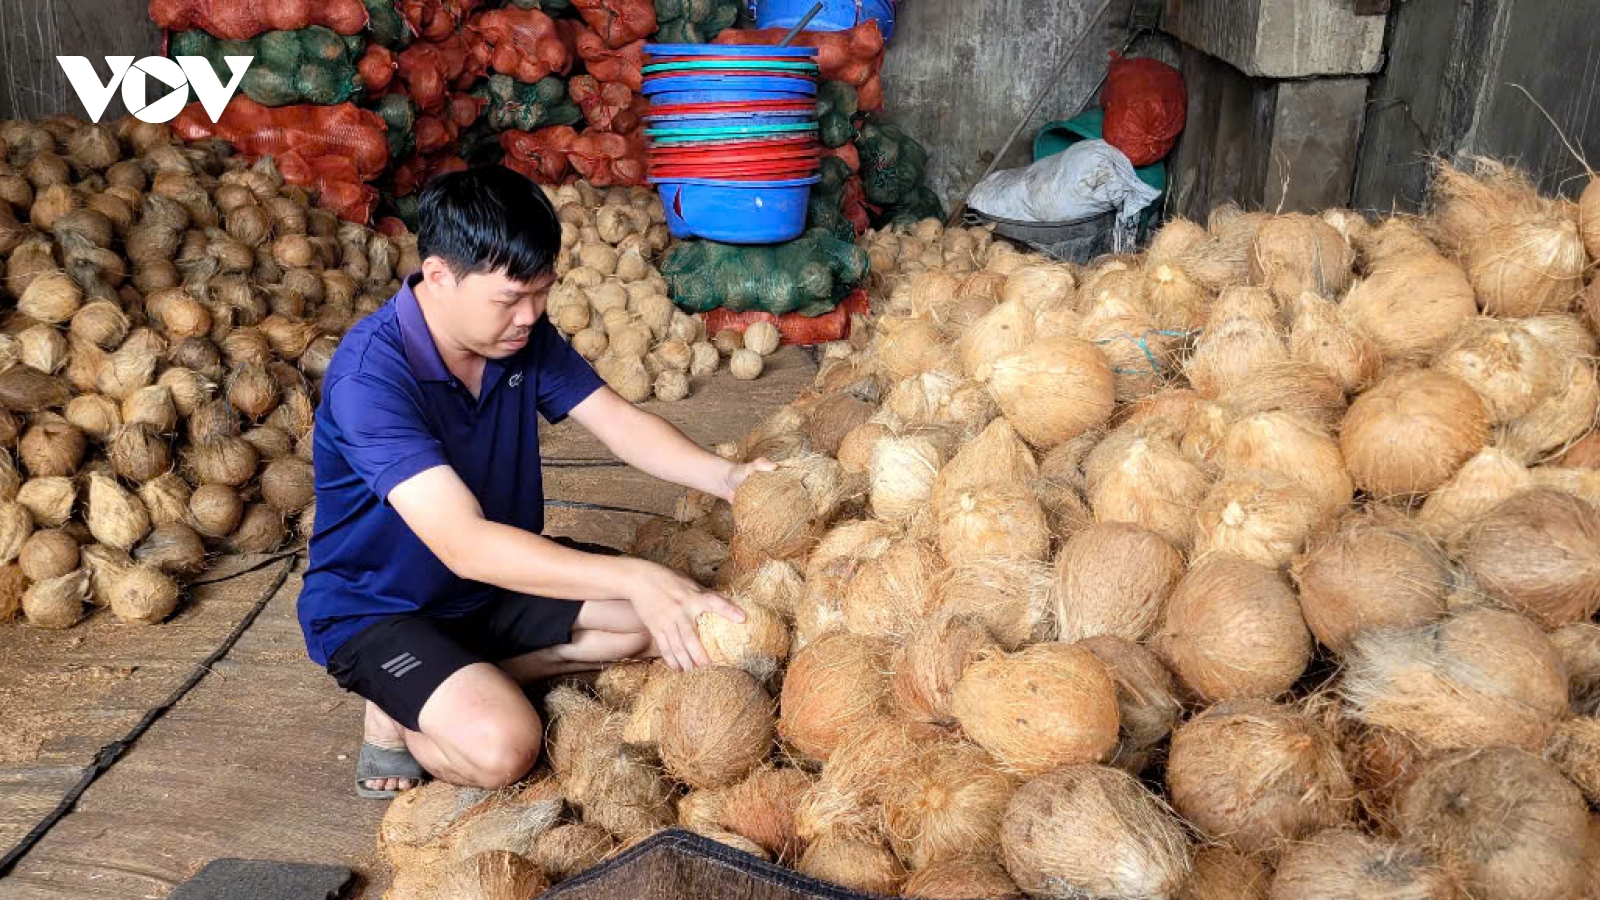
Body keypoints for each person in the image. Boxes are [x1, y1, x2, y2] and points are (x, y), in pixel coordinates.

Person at [297, 166, 770, 798]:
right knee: (504, 747)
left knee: (657, 621)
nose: (530, 316)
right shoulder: (370, 380)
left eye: (541, 292)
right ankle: (395, 712)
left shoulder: (519, 338)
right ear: (438, 276)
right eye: (509, 299)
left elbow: (619, 422)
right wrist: (635, 573)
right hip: (383, 609)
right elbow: (462, 542)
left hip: (491, 587)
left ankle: (453, 679)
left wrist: (732, 477)